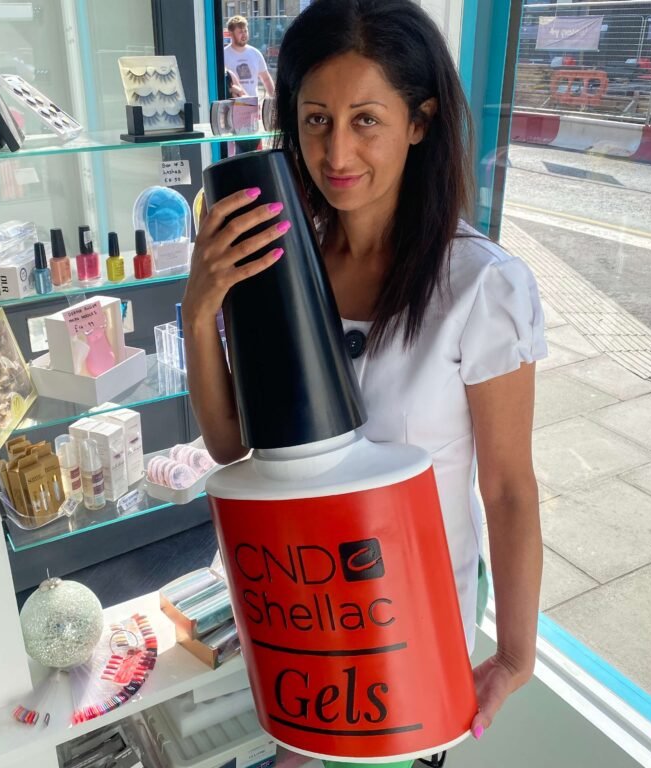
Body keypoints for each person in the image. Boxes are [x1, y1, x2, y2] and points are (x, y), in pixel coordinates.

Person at [184, 0, 546, 759]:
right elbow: (229, 448)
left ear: (419, 121)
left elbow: (508, 488)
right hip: (301, 622)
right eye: (316, 119)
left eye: (366, 120)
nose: (338, 150)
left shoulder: (481, 288)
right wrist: (199, 312)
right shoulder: (279, 261)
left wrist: (515, 655)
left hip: (408, 632)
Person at [223, 15, 275, 99]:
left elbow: (266, 79)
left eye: (245, 31)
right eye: (240, 32)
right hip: (232, 107)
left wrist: (275, 100)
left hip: (253, 107)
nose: (244, 35)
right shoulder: (223, 55)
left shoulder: (255, 53)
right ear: (231, 34)